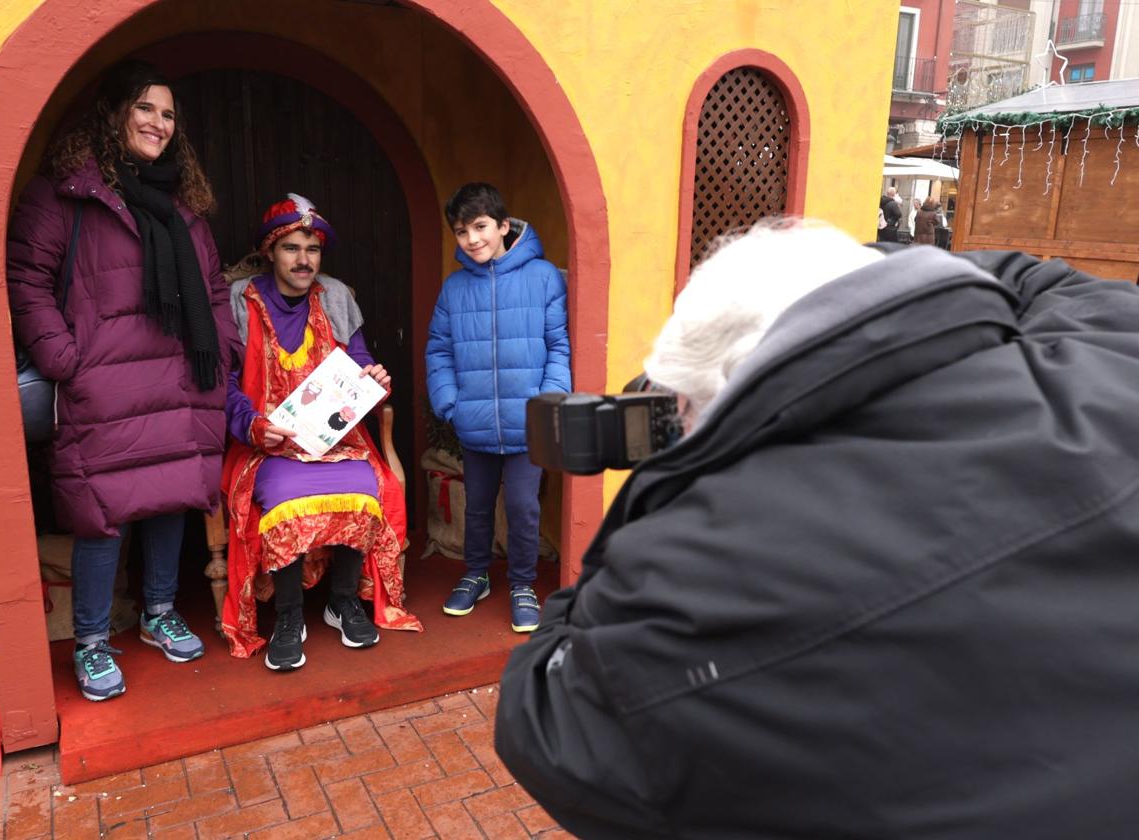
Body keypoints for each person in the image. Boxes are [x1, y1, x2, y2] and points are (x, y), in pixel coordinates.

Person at [495, 219, 1139, 838]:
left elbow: (539, 712)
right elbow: (1034, 278)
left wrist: (664, 470)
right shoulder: (1110, 363)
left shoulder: (700, 585)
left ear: (702, 403)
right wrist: (849, 280)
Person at [7, 60, 239, 702]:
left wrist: (219, 345)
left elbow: (214, 288)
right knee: (102, 513)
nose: (158, 124)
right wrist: (62, 356)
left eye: (168, 114)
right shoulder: (63, 193)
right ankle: (90, 641)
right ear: (114, 115)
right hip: (101, 383)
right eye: (145, 109)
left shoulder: (184, 207)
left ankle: (159, 612)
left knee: (167, 497)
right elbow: (25, 278)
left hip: (180, 376)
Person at [222, 194, 420, 670]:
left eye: (312, 249)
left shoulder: (334, 297)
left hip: (334, 440)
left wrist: (372, 375)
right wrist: (252, 425)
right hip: (266, 444)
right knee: (287, 503)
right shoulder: (240, 300)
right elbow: (224, 383)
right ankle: (289, 617)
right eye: (292, 248)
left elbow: (359, 359)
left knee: (363, 491)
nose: (303, 259)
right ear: (271, 251)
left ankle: (343, 600)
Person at [425, 182, 571, 633]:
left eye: (481, 227)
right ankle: (475, 574)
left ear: (505, 226)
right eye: (462, 231)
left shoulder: (544, 277)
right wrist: (450, 404)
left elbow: (558, 346)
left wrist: (544, 405)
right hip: (474, 421)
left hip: (528, 424)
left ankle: (523, 583)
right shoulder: (454, 288)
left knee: (525, 507)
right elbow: (439, 349)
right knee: (478, 505)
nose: (473, 239)